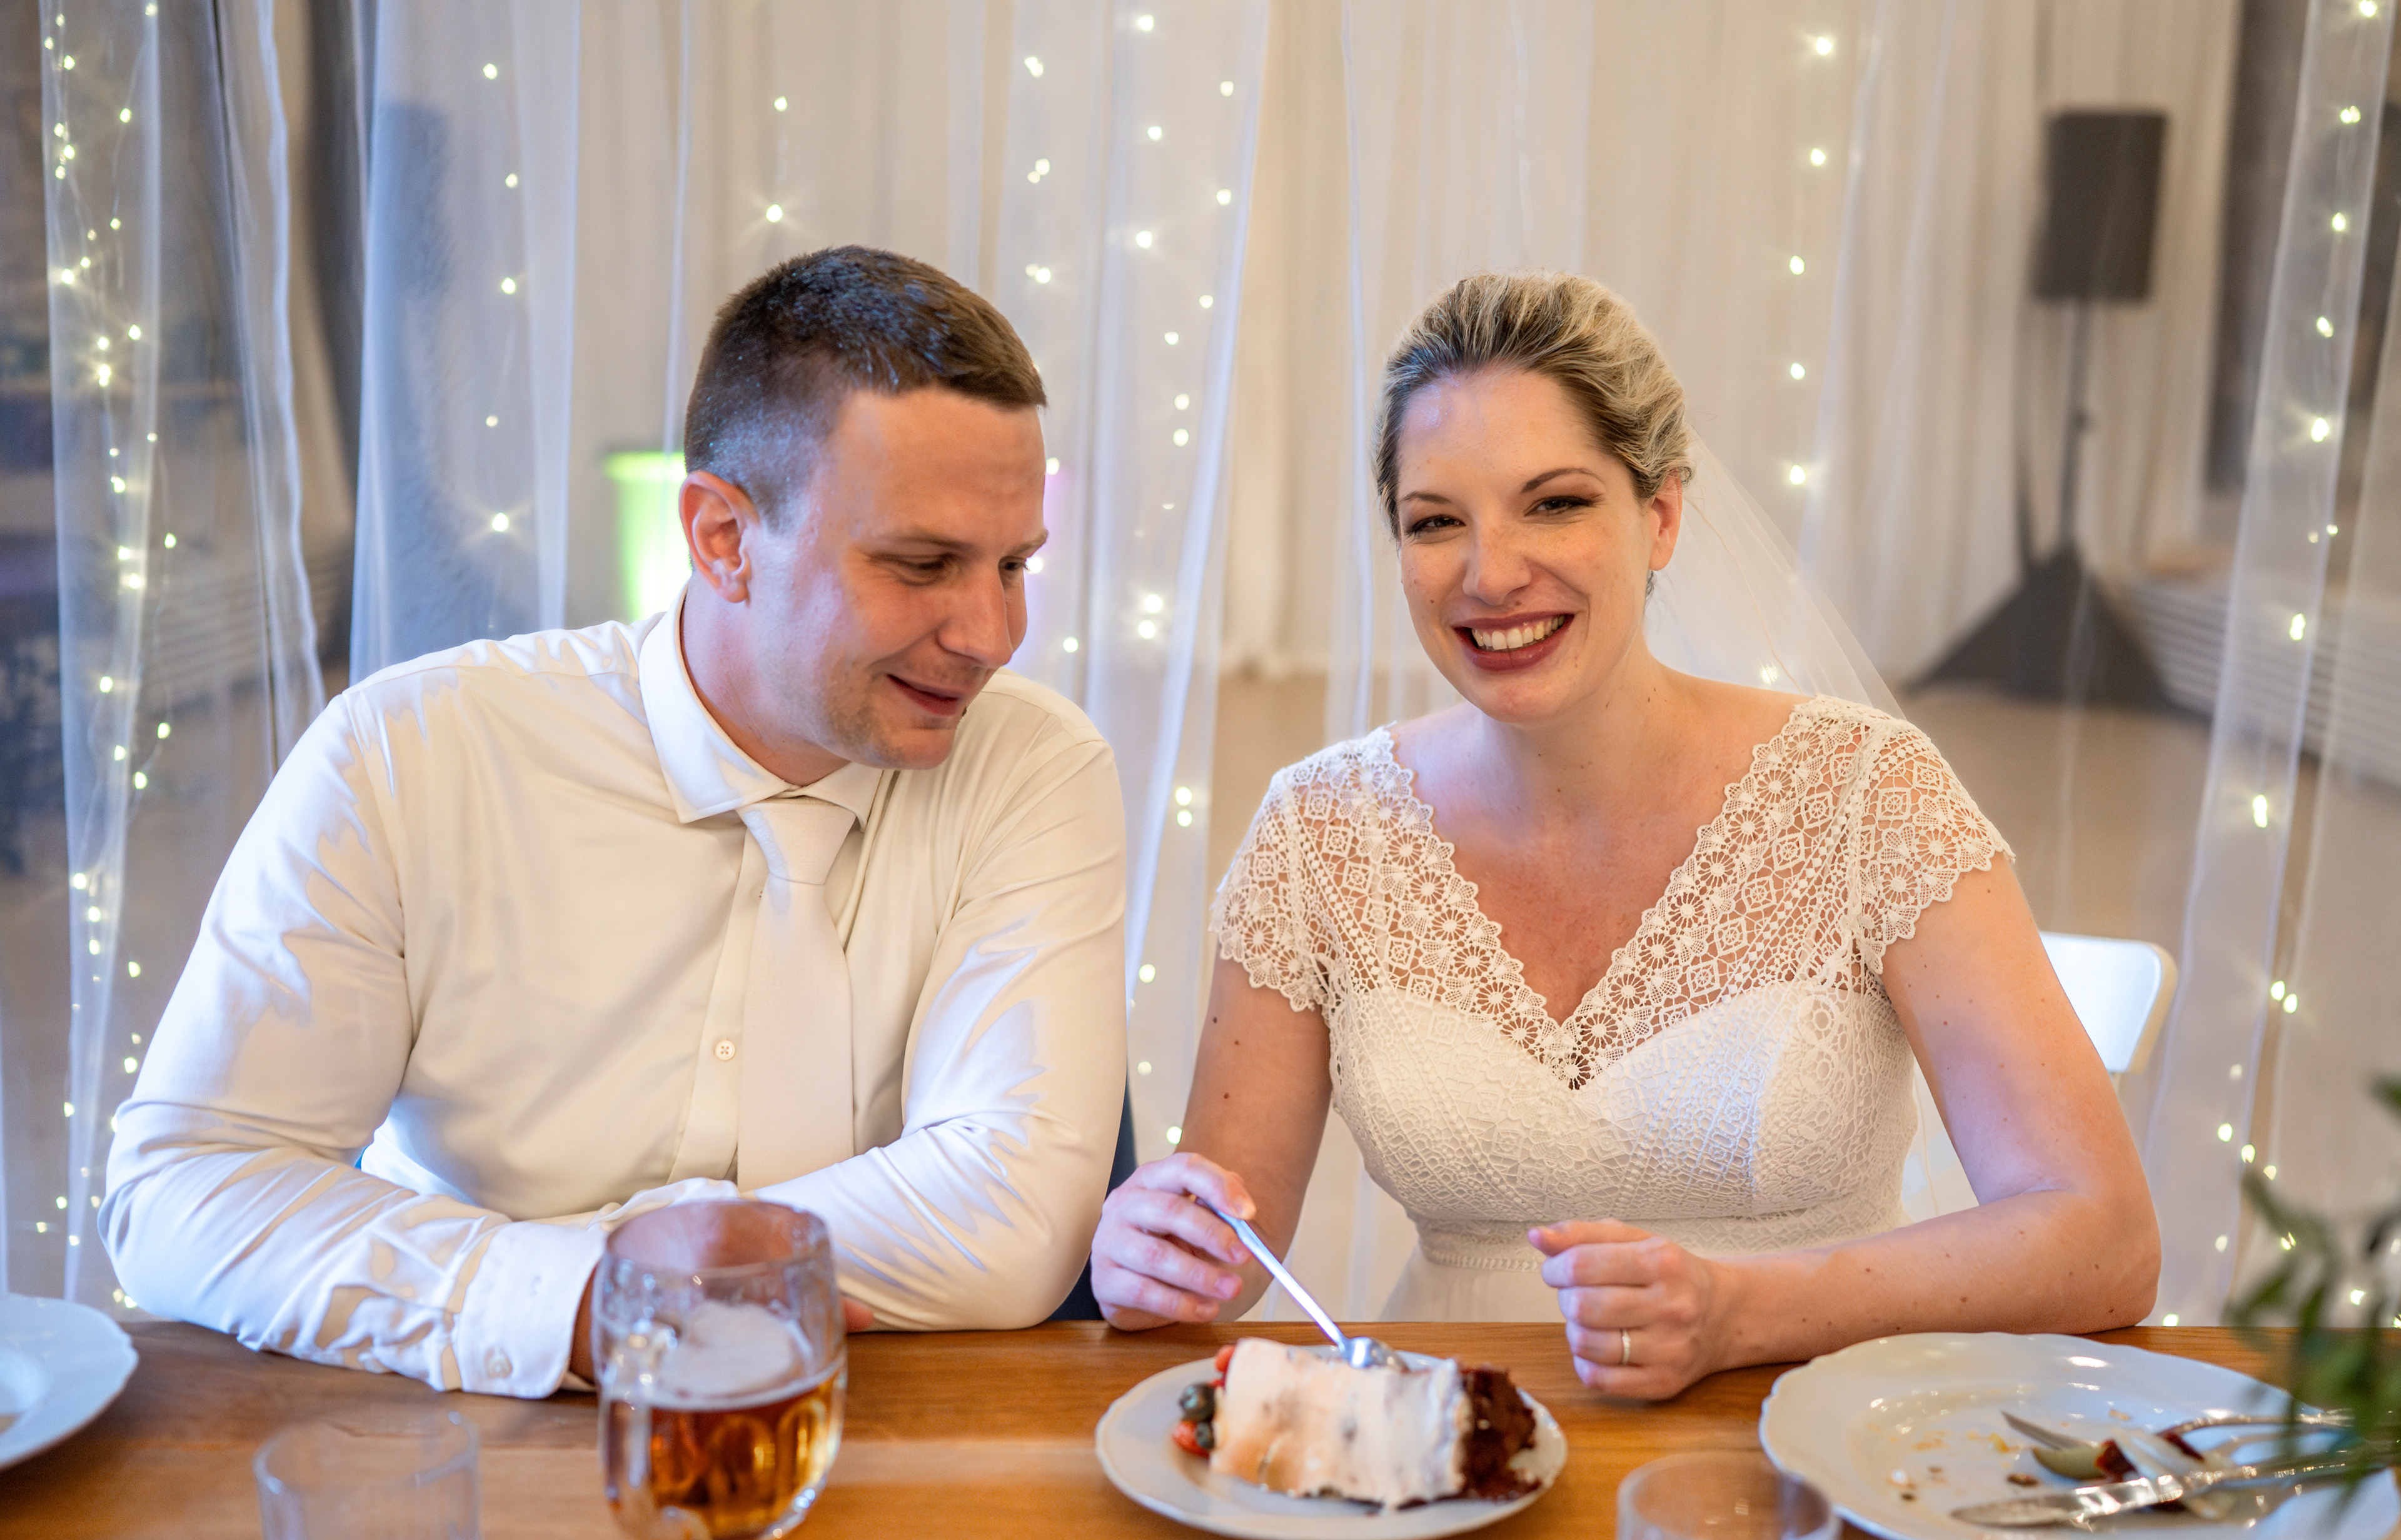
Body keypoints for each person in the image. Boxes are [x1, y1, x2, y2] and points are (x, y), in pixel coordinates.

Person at [1089, 271, 2158, 1397]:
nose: (1491, 574)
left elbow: (2103, 1239)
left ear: (1662, 517)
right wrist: (1151, 1253)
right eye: (1436, 521)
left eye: (1555, 504)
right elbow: (1226, 1247)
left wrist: (1743, 1311)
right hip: (1457, 1442)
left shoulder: (1866, 792)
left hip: (1812, 1426)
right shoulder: (1319, 831)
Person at [104, 246, 1129, 1395]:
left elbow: (1015, 1225)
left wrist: (547, 1266)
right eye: (924, 564)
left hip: (881, 1435)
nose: (993, 635)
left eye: (1013, 565)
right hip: (469, 1437)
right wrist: (574, 1307)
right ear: (723, 539)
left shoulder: (1032, 767)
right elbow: (185, 1188)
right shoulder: (410, 755)